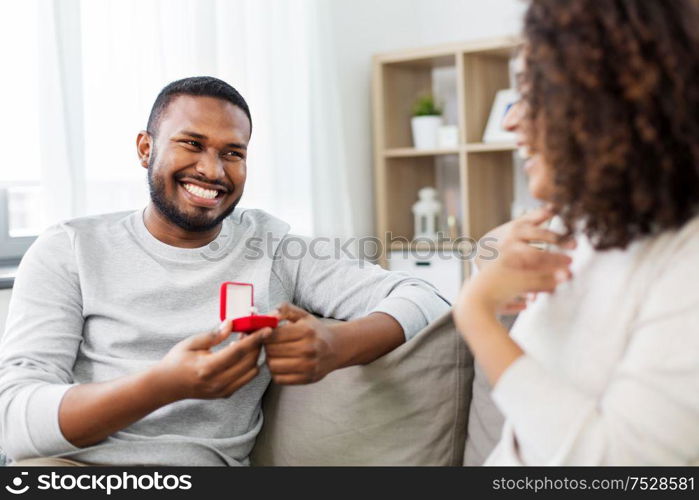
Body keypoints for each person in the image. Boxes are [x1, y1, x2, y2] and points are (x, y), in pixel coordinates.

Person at [0, 76, 450, 466]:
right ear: (145, 148)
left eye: (233, 153)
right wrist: (162, 386)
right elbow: (14, 420)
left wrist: (338, 344)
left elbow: (426, 298)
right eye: (192, 144)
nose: (212, 170)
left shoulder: (273, 247)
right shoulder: (71, 248)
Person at [454, 0, 699, 465]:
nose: (509, 121)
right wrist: (491, 261)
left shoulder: (687, 265)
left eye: (530, 94)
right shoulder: (591, 223)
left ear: (606, 102)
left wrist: (477, 316)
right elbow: (500, 257)